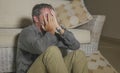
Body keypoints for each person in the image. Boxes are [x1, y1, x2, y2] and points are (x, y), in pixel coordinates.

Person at [16, 3, 88, 73]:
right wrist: (50, 31)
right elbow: (40, 48)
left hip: (50, 70)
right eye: (47, 15)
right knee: (52, 50)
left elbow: (75, 46)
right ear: (36, 19)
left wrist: (59, 28)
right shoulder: (26, 33)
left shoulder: (54, 32)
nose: (51, 18)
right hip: (31, 70)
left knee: (78, 54)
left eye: (52, 15)